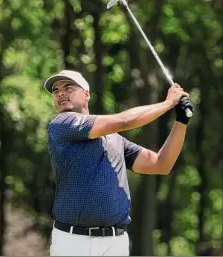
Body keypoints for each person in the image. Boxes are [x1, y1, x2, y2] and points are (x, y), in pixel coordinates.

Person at [44, 70, 194, 256]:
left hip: (115, 243)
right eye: (55, 90)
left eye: (68, 87)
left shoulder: (115, 140)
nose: (60, 93)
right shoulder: (61, 124)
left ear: (87, 94)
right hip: (73, 241)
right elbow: (124, 121)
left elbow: (161, 164)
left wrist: (181, 121)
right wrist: (169, 102)